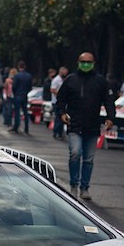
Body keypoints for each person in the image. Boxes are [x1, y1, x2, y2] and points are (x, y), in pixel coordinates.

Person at [54, 52, 116, 200]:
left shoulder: (100, 81)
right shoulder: (71, 80)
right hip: (74, 125)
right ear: (78, 63)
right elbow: (61, 99)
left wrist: (110, 117)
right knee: (75, 153)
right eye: (83, 62)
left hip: (93, 126)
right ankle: (74, 185)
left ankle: (85, 187)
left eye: (89, 62)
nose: (86, 64)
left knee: (88, 159)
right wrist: (62, 113)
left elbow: (108, 100)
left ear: (94, 63)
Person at [11, 62, 33, 134]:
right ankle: (26, 128)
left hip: (17, 95)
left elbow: (14, 86)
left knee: (17, 112)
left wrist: (15, 93)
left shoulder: (17, 76)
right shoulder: (29, 76)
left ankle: (16, 127)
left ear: (18, 67)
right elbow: (30, 87)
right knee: (25, 112)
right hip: (25, 95)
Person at [50, 66, 67, 138]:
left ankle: (60, 132)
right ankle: (56, 132)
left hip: (61, 101)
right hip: (56, 101)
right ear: (61, 71)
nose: (66, 73)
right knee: (58, 117)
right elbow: (52, 89)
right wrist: (61, 95)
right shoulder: (56, 80)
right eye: (65, 72)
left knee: (61, 117)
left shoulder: (63, 80)